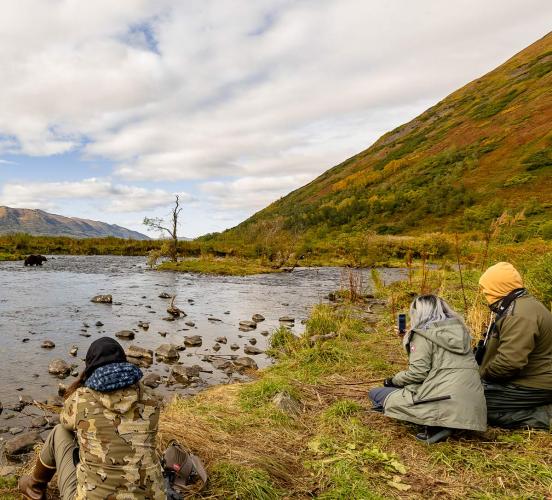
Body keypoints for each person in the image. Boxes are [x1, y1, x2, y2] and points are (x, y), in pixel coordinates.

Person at [19, 337, 166, 500]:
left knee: (59, 432)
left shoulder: (80, 399)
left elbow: (65, 422)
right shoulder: (151, 400)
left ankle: (35, 487)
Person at [369, 295, 486, 443]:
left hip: (443, 400)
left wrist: (392, 380)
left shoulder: (421, 335)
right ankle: (450, 422)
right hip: (472, 406)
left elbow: (418, 373)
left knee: (376, 394)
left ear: (419, 313)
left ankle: (436, 425)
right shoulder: (461, 333)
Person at [478, 262, 552, 429]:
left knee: (474, 405)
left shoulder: (518, 315)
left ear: (499, 287)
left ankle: (546, 416)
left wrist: (482, 376)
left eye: (487, 288)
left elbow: (509, 363)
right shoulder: (524, 304)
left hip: (534, 383)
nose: (484, 293)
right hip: (533, 379)